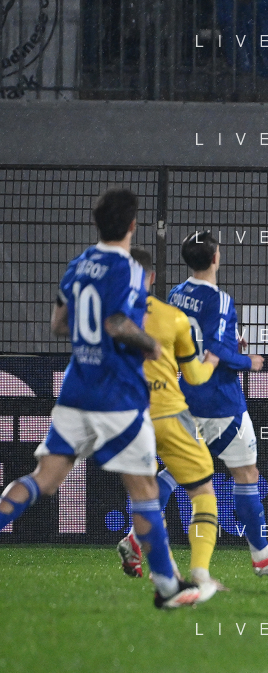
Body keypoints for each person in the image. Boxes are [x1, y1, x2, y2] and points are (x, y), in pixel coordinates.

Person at [0, 189, 211, 609]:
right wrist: (149, 344)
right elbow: (116, 322)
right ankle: (168, 587)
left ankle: (169, 584)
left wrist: (90, 332)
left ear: (96, 223)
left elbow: (59, 324)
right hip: (118, 396)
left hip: (76, 390)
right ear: (132, 225)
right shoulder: (128, 268)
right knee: (145, 490)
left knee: (43, 479)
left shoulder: (78, 265)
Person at [169, 232, 268, 577]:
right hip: (220, 400)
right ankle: (262, 555)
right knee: (246, 474)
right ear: (216, 257)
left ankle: (134, 537)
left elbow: (190, 340)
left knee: (175, 471)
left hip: (185, 395)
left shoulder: (176, 294)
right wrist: (248, 361)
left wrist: (231, 342)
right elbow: (216, 350)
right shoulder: (220, 299)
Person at [115, 248, 227, 593]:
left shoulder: (106, 317)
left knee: (146, 497)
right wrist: (212, 360)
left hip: (127, 417)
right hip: (169, 414)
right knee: (203, 493)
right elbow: (194, 376)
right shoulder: (172, 317)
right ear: (151, 278)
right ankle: (200, 574)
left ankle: (158, 564)